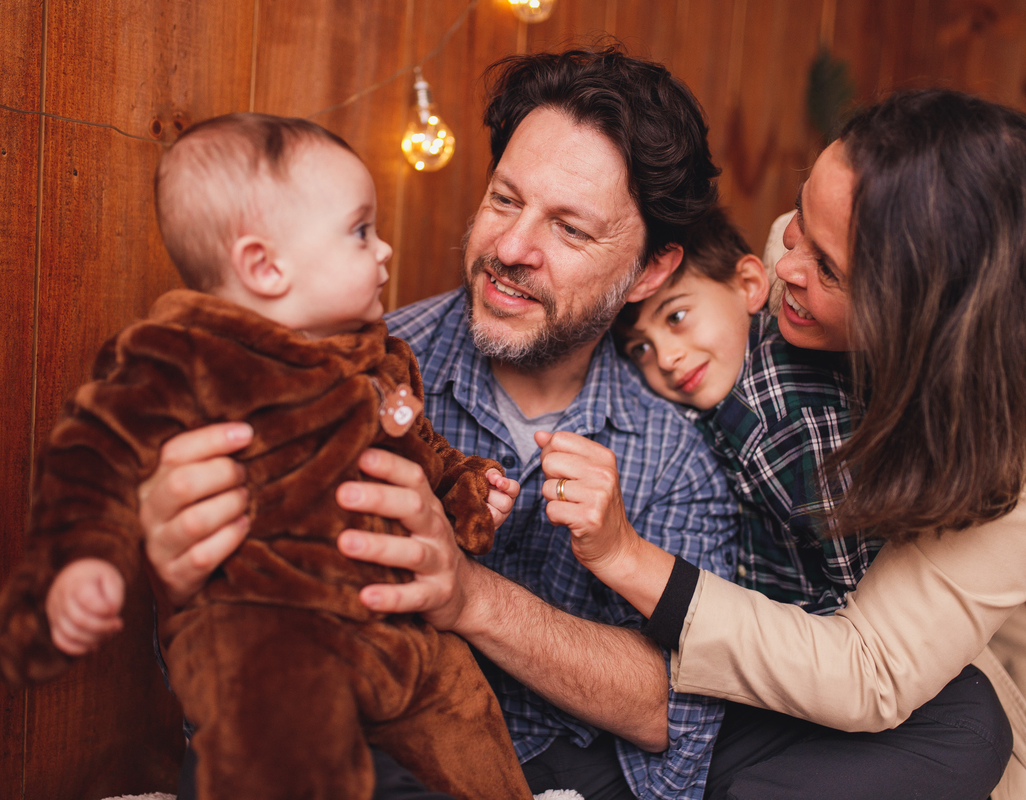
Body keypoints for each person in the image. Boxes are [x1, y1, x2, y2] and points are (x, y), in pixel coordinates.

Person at [133, 47, 742, 800]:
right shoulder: (345, 371)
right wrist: (179, 567)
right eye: (505, 200)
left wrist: (469, 594)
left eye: (570, 231)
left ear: (649, 273)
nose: (511, 249)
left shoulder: (677, 458)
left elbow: (673, 719)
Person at [567, 89, 1026, 800]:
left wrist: (631, 560)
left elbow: (870, 669)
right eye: (799, 222)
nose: (785, 267)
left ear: (925, 311)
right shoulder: (813, 251)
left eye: (830, 270)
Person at [0, 112, 534, 800]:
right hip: (269, 624)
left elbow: (418, 447)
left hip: (395, 630)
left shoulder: (380, 354)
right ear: (265, 266)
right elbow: (94, 455)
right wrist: (81, 560)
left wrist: (464, 484)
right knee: (279, 743)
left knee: (463, 714)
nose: (384, 250)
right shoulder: (191, 356)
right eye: (361, 231)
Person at [613, 205, 1013, 798]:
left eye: (677, 317)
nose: (666, 358)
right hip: (767, 640)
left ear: (752, 285)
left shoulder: (780, 422)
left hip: (822, 635)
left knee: (969, 723)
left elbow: (861, 582)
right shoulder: (723, 386)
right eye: (642, 350)